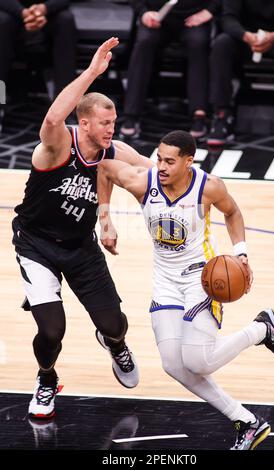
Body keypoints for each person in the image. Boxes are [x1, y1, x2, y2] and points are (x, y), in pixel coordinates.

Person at [98, 130, 274, 450]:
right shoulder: (142, 182)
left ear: (189, 162)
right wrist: (105, 219)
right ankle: (248, 422)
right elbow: (105, 169)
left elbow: (232, 212)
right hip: (165, 281)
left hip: (200, 279)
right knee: (173, 364)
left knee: (198, 361)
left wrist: (241, 253)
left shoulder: (208, 187)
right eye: (158, 158)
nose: (161, 166)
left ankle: (262, 329)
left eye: (170, 161)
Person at [12, 37, 154, 419]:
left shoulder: (115, 152)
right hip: (36, 245)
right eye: (105, 123)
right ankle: (46, 379)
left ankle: (115, 343)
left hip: (80, 246)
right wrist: (92, 72)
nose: (111, 128)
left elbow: (152, 171)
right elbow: (53, 119)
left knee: (114, 324)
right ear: (85, 122)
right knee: (51, 330)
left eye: (114, 122)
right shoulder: (57, 146)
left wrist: (206, 187)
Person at [120, 0, 221, 140]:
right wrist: (143, 12)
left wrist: (210, 11)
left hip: (193, 17)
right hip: (157, 18)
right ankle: (131, 114)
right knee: (144, 42)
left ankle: (199, 114)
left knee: (198, 43)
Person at [207, 0, 274, 147]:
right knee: (222, 44)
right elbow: (228, 18)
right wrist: (245, 36)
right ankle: (222, 113)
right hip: (246, 38)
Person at [0, 0, 77, 131]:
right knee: (2, 22)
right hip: (10, 10)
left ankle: (64, 110)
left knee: (65, 20)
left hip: (49, 10)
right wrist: (22, 12)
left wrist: (44, 9)